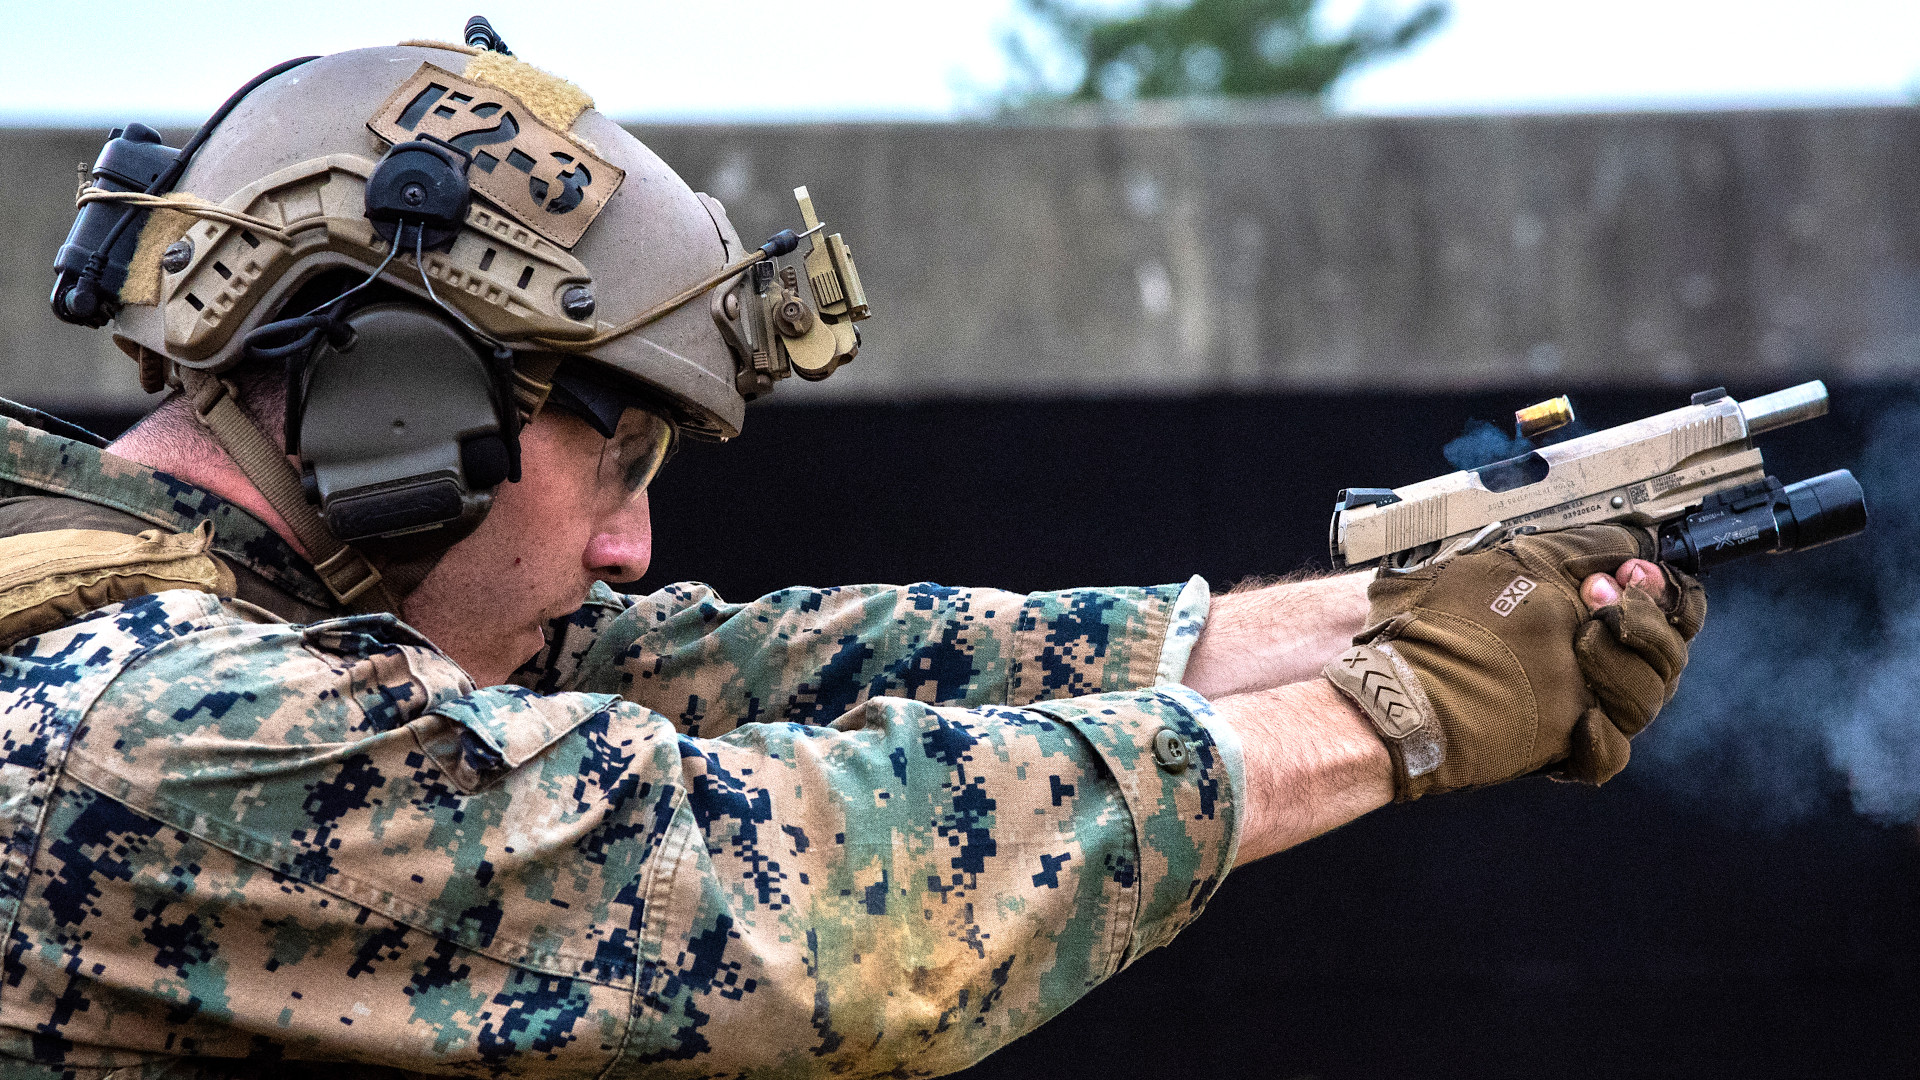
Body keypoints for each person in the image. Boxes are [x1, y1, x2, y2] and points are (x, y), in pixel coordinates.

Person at [0, 30, 1703, 1080]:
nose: (628, 538)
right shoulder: (158, 734)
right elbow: (789, 908)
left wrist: (1398, 607)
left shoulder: (222, 615)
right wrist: (1394, 714)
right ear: (393, 396)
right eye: (616, 450)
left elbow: (757, 677)